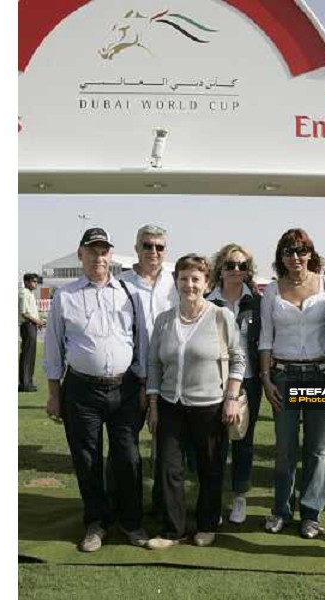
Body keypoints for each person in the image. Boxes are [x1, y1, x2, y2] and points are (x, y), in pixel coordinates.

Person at [44, 227, 150, 553]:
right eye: (92, 251)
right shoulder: (66, 295)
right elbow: (52, 347)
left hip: (126, 390)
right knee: (87, 459)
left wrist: (146, 386)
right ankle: (97, 522)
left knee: (128, 458)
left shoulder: (129, 292)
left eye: (103, 251)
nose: (98, 257)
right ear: (81, 255)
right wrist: (53, 392)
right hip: (81, 391)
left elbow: (142, 343)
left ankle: (131, 521)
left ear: (110, 256)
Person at [145, 254, 245, 549]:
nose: (189, 285)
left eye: (195, 279)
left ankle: (206, 524)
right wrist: (152, 405)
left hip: (210, 406)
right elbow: (154, 364)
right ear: (176, 282)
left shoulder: (220, 316)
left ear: (207, 283)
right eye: (183, 279)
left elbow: (239, 359)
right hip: (169, 406)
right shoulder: (164, 320)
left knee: (210, 469)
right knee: (168, 469)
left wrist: (231, 397)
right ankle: (172, 530)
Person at [259, 228, 325, 539]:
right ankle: (280, 510)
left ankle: (311, 515)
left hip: (320, 376)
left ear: (311, 253)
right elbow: (266, 338)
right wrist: (266, 379)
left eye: (301, 251)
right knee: (285, 449)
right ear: (281, 256)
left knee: (316, 451)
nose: (296, 257)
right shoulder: (272, 292)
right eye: (289, 251)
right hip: (284, 377)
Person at [119, 224, 178, 513]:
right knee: (125, 450)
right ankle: (124, 509)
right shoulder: (120, 283)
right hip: (128, 380)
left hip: (168, 380)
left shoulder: (176, 283)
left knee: (164, 452)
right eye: (147, 245)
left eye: (159, 246)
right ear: (136, 247)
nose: (153, 251)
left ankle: (161, 506)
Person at [206, 243, 262, 524]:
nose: (236, 270)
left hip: (249, 383)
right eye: (230, 265)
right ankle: (213, 501)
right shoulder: (207, 301)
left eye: (242, 266)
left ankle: (239, 497)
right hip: (213, 383)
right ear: (220, 268)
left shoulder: (257, 302)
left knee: (243, 442)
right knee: (216, 445)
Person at [18, 273, 44, 392]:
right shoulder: (24, 294)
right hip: (27, 326)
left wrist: (37, 322)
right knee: (27, 355)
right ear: (27, 282)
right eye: (33, 281)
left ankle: (29, 381)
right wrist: (37, 321)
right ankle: (24, 383)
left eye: (36, 281)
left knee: (31, 355)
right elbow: (24, 313)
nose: (36, 283)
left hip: (32, 326)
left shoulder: (30, 294)